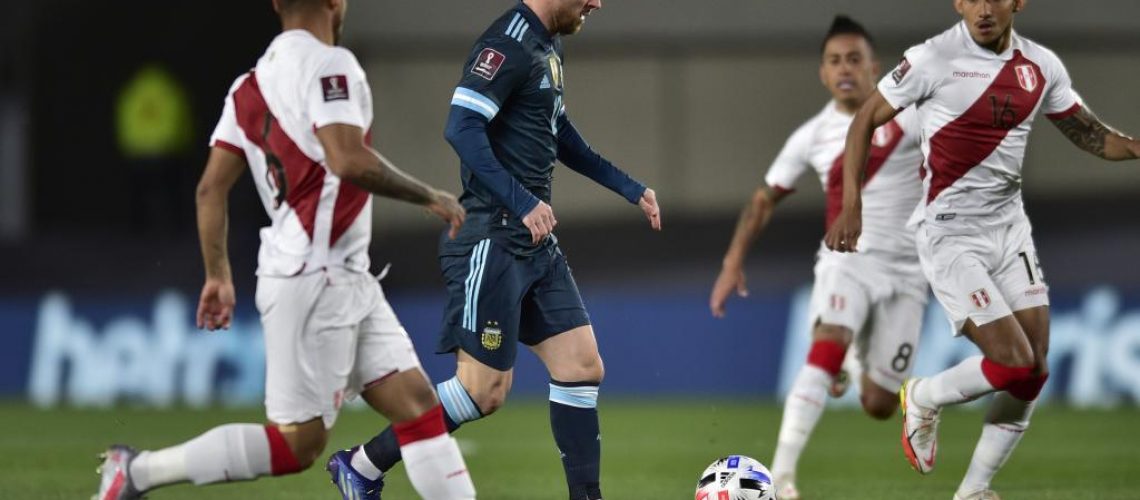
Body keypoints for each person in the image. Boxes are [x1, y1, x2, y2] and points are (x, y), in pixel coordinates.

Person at [94, 1, 477, 499]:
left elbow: (210, 189)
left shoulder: (247, 87)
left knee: (418, 405)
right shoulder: (331, 63)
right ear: (335, 2)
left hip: (340, 274)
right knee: (298, 445)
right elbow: (346, 160)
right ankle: (137, 472)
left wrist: (217, 275)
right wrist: (431, 195)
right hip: (316, 277)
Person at [326, 1, 662, 499]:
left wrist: (628, 186)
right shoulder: (507, 43)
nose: (597, 2)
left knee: (581, 366)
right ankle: (363, 464)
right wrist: (523, 201)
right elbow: (460, 126)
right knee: (482, 393)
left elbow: (557, 131)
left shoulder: (548, 42)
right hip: (491, 238)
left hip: (532, 242)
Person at [826, 1, 1140, 498]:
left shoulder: (1040, 66)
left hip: (1010, 230)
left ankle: (973, 491)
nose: (983, 8)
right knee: (1013, 362)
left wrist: (1136, 145)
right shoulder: (933, 58)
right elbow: (864, 118)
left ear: (1018, 2)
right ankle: (925, 396)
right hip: (950, 232)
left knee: (1035, 369)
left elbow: (1090, 133)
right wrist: (852, 204)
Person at [710, 16, 928, 500]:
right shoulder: (812, 135)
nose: (845, 68)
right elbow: (763, 199)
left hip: (910, 272)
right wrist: (731, 263)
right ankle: (782, 477)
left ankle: (854, 352)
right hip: (847, 258)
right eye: (834, 61)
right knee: (825, 347)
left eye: (854, 59)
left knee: (877, 404)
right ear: (822, 74)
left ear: (875, 66)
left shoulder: (913, 116)